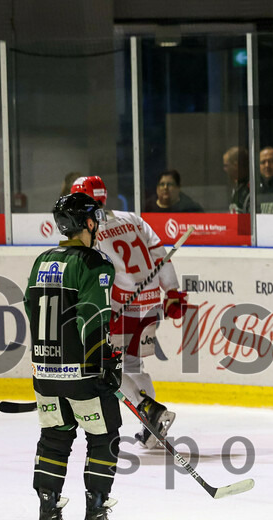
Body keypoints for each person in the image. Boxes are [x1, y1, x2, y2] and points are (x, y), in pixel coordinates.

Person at [25, 192, 122, 520]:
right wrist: (103, 363)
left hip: (45, 372)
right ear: (88, 223)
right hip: (82, 375)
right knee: (103, 436)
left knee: (54, 438)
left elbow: (29, 309)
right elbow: (93, 317)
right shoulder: (95, 263)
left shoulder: (41, 261)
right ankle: (95, 518)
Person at [70, 175, 187, 449]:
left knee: (105, 367)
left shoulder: (90, 230)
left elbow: (96, 276)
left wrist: (96, 310)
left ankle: (148, 409)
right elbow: (160, 255)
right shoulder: (132, 218)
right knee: (133, 365)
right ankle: (152, 427)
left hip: (120, 309)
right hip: (149, 303)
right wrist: (172, 291)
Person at [222, 146, 250, 213]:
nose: (224, 169)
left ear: (236, 165)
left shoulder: (251, 188)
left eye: (226, 165)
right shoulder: (237, 186)